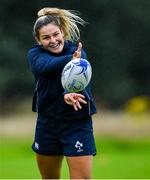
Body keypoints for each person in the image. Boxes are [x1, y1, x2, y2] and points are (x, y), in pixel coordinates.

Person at [27, 7, 97, 179]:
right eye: (46, 37)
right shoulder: (35, 55)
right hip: (47, 123)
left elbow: (76, 79)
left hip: (76, 123)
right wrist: (72, 59)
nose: (53, 40)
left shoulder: (79, 53)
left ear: (63, 32)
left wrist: (68, 93)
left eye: (55, 34)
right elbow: (45, 66)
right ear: (39, 40)